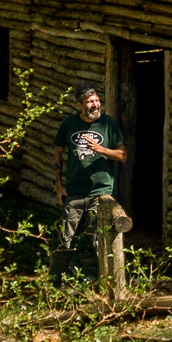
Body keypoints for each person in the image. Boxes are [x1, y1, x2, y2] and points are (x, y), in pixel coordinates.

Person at [52, 82, 126, 283]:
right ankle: (55, 283)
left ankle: (105, 282)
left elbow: (122, 155)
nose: (95, 105)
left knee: (98, 240)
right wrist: (59, 186)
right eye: (89, 102)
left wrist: (100, 149)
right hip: (75, 193)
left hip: (100, 193)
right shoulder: (69, 124)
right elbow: (57, 153)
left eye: (96, 101)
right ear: (79, 105)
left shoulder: (109, 124)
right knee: (65, 239)